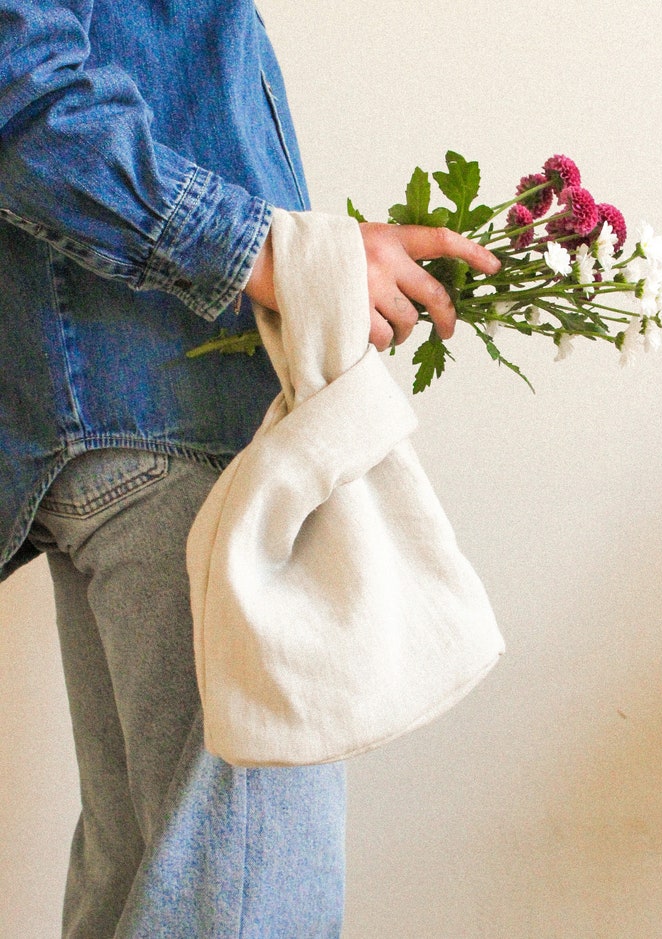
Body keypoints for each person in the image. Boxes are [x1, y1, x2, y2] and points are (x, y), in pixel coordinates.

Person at [0, 1, 499, 935]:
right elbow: (22, 90)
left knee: (148, 877)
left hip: (122, 424)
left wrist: (316, 267)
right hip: (171, 424)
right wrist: (270, 251)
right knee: (247, 900)